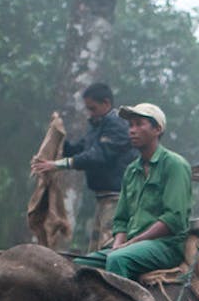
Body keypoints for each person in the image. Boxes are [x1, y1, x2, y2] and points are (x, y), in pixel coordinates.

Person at [73, 102, 192, 282]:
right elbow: (121, 219)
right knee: (78, 264)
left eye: (139, 124)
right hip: (132, 246)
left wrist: (132, 243)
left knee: (117, 259)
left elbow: (173, 218)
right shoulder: (131, 170)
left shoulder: (174, 165)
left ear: (157, 129)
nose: (132, 130)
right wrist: (119, 243)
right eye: (130, 125)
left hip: (165, 246)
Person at [31, 83, 136, 253]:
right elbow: (77, 149)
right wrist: (55, 137)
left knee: (108, 249)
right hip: (102, 199)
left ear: (106, 103)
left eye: (93, 108)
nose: (90, 113)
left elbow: (98, 156)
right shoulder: (96, 127)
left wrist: (57, 165)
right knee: (94, 250)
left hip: (118, 200)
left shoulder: (117, 125)